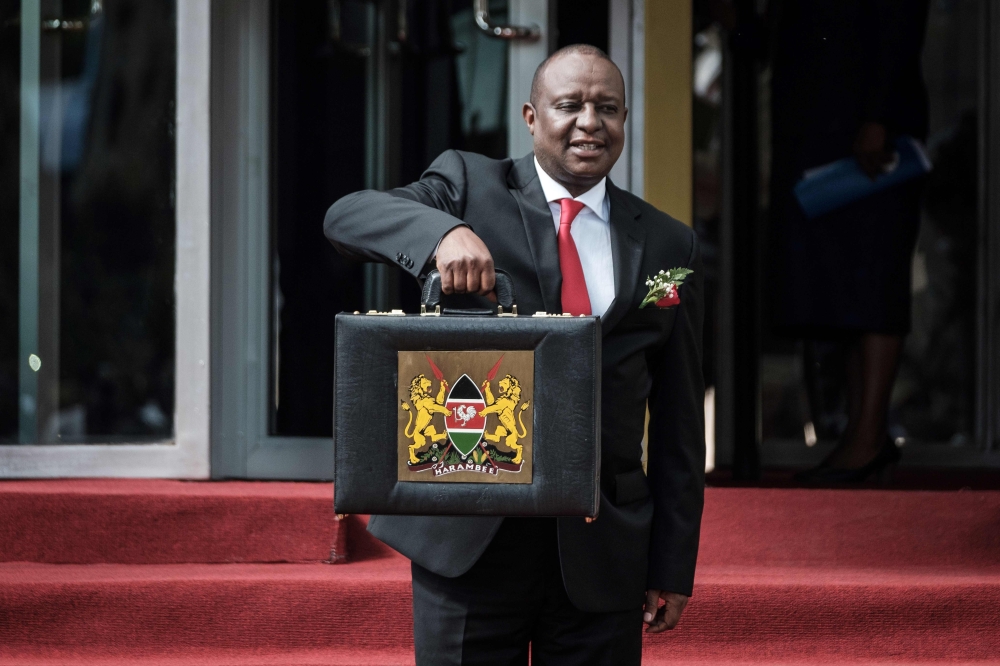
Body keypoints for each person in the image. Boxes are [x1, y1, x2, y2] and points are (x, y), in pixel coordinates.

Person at [325, 44, 704, 664]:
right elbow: (347, 217)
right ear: (531, 118)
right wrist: (441, 233)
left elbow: (680, 425)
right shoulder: (471, 186)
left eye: (608, 108)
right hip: (471, 530)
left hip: (601, 542)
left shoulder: (667, 242)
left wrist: (671, 562)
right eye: (570, 106)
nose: (590, 122)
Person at [768, 1, 931, 482]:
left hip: (874, 139)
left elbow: (901, 21)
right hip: (827, 132)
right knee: (847, 288)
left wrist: (880, 116)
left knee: (877, 277)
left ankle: (868, 436)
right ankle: (863, 435)